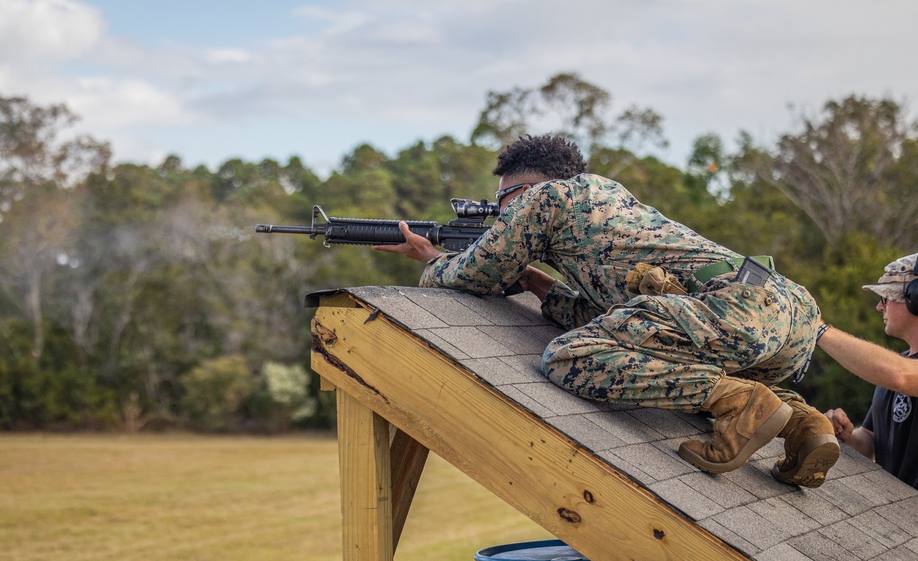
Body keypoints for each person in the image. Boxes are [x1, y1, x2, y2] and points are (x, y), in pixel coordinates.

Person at [374, 134, 839, 488]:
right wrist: (540, 285)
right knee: (651, 349)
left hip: (731, 307)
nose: (500, 214)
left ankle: (741, 403)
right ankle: (804, 426)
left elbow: (473, 274)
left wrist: (431, 260)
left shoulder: (545, 199)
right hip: (786, 311)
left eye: (502, 201)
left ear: (528, 188)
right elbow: (618, 324)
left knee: (566, 358)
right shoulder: (608, 203)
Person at [821, 253, 918, 488]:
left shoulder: (898, 372)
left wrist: (818, 330)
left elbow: (900, 374)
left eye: (886, 297)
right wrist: (849, 436)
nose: (879, 306)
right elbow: (872, 441)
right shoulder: (897, 365)